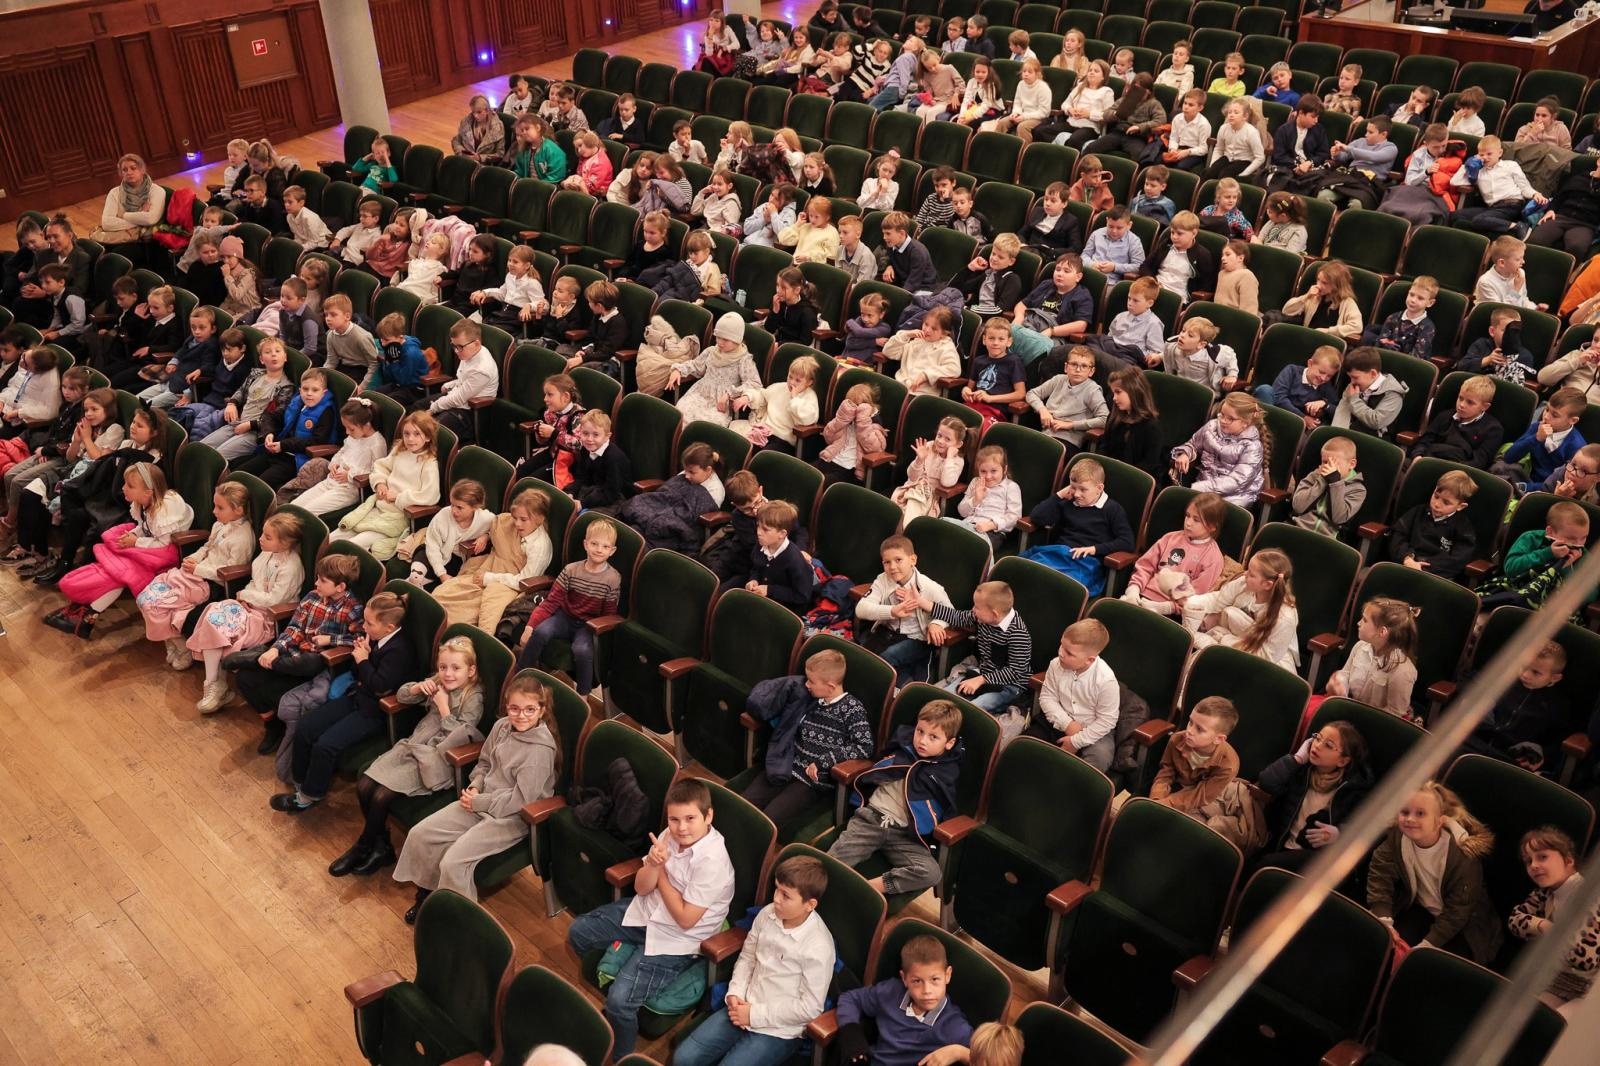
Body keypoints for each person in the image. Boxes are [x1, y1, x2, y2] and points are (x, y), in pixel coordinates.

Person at [567, 778, 735, 1054]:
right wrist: (654, 866)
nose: (681, 828)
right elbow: (641, 887)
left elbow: (685, 919)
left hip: (679, 938)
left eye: (690, 819)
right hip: (647, 912)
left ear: (708, 816)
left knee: (621, 1000)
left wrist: (663, 874)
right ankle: (625, 965)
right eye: (674, 819)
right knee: (579, 932)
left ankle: (621, 1056)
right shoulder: (669, 836)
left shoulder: (713, 862)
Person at [393, 670, 561, 910]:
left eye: (529, 709)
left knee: (453, 862)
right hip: (480, 801)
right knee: (421, 834)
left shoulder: (539, 752)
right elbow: (484, 763)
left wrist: (479, 802)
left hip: (511, 817)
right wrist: (475, 786)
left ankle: (460, 918)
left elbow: (520, 800)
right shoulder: (503, 726)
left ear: (541, 710)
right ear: (507, 707)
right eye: (514, 708)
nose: (521, 715)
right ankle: (428, 895)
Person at [674, 855, 835, 1066]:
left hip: (779, 1029)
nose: (776, 898)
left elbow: (810, 1008)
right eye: (777, 889)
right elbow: (748, 957)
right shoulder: (768, 913)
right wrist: (735, 992)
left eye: (786, 895)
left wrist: (754, 1014)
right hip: (744, 1004)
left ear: (809, 905)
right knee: (683, 1059)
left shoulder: (819, 947)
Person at [46, 461, 195, 639]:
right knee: (109, 566)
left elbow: (163, 542)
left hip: (165, 553)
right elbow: (144, 526)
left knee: (118, 576)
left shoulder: (164, 511)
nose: (123, 488)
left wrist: (136, 542)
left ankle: (87, 619)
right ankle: (81, 607)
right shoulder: (145, 502)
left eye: (130, 486)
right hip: (148, 546)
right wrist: (132, 535)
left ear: (148, 492)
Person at [829, 701, 964, 895]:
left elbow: (942, 806)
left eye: (933, 737)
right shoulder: (903, 751)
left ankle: (870, 889)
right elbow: (876, 773)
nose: (923, 741)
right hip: (871, 821)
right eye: (920, 731)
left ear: (949, 743)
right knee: (831, 863)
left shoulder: (945, 772)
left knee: (931, 873)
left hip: (904, 834)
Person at [739, 649, 874, 839]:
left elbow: (864, 746)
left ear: (830, 685)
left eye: (811, 681)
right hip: (786, 766)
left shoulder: (852, 708)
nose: (807, 685)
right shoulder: (810, 699)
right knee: (743, 805)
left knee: (768, 820)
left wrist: (823, 761)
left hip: (812, 781)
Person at [1367, 781, 1502, 963]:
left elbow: (1459, 910)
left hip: (1465, 925)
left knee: (1430, 966)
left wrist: (1427, 945)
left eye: (1420, 814)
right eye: (1404, 812)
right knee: (1386, 952)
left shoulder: (1463, 856)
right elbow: (1380, 878)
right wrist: (1384, 921)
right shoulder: (1396, 839)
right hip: (1420, 910)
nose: (1410, 819)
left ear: (1439, 822)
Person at [227, 550, 363, 725]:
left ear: (340, 587)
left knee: (310, 662)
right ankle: (271, 723)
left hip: (316, 662)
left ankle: (256, 658)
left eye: (322, 580)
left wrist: (331, 640)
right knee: (243, 678)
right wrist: (276, 649)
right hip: (292, 655)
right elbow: (295, 627)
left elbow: (360, 639)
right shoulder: (313, 596)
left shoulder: (353, 608)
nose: (316, 583)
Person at [133, 479, 254, 663]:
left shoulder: (243, 538)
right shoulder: (219, 524)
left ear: (238, 510)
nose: (214, 512)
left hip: (209, 584)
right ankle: (172, 641)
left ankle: (182, 648)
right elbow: (207, 547)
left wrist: (199, 568)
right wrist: (195, 558)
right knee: (146, 597)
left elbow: (229, 571)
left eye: (220, 508)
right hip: (194, 574)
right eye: (215, 506)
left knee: (157, 605)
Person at [516, 517, 621, 698]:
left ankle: (583, 695)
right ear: (585, 544)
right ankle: (520, 673)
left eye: (605, 546)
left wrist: (601, 640)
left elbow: (608, 615)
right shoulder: (571, 570)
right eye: (594, 544)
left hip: (589, 625)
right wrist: (529, 627)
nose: (599, 549)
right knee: (540, 632)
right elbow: (551, 602)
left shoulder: (613, 579)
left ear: (612, 551)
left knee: (582, 650)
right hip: (564, 617)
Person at [1254, 720, 1374, 876]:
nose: (1317, 746)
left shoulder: (1353, 789)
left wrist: (1339, 834)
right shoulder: (1301, 771)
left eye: (1328, 745)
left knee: (1266, 866)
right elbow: (1267, 783)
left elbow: (1365, 830)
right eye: (1318, 738)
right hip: (1281, 845)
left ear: (1342, 761)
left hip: (1318, 859)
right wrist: (1296, 759)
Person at [836, 934, 972, 1065]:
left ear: (947, 975)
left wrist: (959, 1052)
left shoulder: (955, 1027)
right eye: (917, 981)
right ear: (904, 978)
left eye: (935, 979)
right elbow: (850, 999)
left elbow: (988, 1059)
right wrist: (852, 1035)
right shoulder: (890, 991)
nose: (927, 991)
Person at [1510, 826, 1599, 1020]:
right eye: (1528, 861)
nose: (1533, 865)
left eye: (1542, 857)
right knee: (1522, 1019)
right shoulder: (1545, 892)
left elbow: (1585, 959)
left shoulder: (1589, 896)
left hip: (1592, 990)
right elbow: (1516, 921)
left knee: (1551, 1028)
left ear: (1568, 860)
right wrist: (1543, 925)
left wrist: (1553, 933)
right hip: (1561, 980)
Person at [332, 411, 442, 560]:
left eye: (417, 434)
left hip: (397, 516)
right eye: (406, 433)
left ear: (428, 437)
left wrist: (399, 496)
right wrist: (380, 484)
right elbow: (380, 466)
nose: (410, 439)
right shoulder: (400, 450)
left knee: (349, 548)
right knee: (332, 540)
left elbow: (431, 495)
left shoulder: (428, 463)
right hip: (378, 507)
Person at [1021, 458, 1134, 595]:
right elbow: (1037, 518)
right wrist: (1060, 495)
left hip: (1087, 562)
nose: (1076, 494)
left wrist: (1094, 549)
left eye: (1083, 489)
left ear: (1099, 488)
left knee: (1062, 586)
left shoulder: (1113, 509)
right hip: (1059, 553)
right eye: (1073, 487)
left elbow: (1127, 542)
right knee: (1026, 571)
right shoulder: (1068, 502)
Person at [856, 534, 954, 686]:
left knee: (886, 659)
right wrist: (892, 611)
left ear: (913, 560)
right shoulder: (883, 579)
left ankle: (906, 687)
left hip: (916, 638)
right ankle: (899, 683)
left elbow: (950, 611)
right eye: (886, 562)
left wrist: (937, 624)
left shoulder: (929, 587)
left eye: (898, 560)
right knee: (862, 663)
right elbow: (861, 609)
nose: (892, 567)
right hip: (887, 632)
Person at [1181, 548, 1300, 671]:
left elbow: (1266, 659)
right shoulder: (1244, 583)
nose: (1244, 574)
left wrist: (1225, 640)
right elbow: (1218, 600)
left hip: (1264, 665)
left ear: (1267, 585)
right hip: (1235, 642)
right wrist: (1189, 602)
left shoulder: (1285, 618)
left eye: (1251, 574)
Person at [1025, 620, 1119, 771]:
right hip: (1059, 718)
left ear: (1090, 660)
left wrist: (1077, 741)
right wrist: (1067, 724)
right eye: (1062, 645)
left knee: (1099, 759)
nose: (1060, 653)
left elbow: (1107, 720)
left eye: (1069, 653)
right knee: (1026, 746)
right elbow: (1047, 697)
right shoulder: (1056, 664)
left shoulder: (1105, 680)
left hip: (1093, 730)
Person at [1121, 492, 1227, 617]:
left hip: (1170, 613)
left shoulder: (1213, 558)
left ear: (1212, 526)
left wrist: (1166, 608)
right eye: (1187, 516)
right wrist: (1134, 589)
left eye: (1196, 520)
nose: (1188, 522)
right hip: (1142, 596)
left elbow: (1196, 598)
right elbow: (1145, 566)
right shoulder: (1170, 538)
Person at [1477, 500, 1594, 611]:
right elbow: (1511, 568)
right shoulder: (1531, 539)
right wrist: (1548, 553)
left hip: (1552, 607)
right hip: (1513, 592)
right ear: (1550, 532)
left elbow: (1590, 595)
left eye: (1584, 538)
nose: (1578, 544)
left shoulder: (1582, 554)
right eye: (1571, 538)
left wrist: (1565, 567)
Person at [1325, 597, 1420, 721]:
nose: (1358, 623)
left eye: (1364, 620)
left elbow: (1394, 715)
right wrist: (1339, 683)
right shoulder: (1360, 647)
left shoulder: (1403, 671)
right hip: (1350, 709)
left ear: (1382, 632)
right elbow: (1346, 674)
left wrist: (1356, 716)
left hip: (1375, 722)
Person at [1171, 392, 1269, 507]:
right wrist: (1185, 454)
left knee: (1199, 513)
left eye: (1230, 419)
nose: (1223, 420)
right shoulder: (1212, 427)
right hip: (1205, 489)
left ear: (1245, 423)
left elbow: (1237, 482)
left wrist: (1201, 488)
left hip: (1235, 497)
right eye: (1222, 415)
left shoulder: (1252, 447)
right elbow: (1192, 444)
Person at [1150, 697, 1240, 811]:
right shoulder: (1176, 739)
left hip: (1200, 800)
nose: (1189, 731)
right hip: (1176, 786)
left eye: (1199, 729)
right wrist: (1156, 799)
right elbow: (1166, 772)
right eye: (1190, 722)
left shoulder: (1229, 765)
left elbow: (1201, 796)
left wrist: (1164, 804)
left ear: (1218, 739)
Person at [1390, 470, 1478, 581]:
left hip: (1435, 576)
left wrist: (1424, 567)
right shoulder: (1418, 512)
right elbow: (1398, 535)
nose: (1437, 504)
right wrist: (1407, 558)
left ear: (1461, 506)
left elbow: (1458, 559)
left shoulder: (1463, 527)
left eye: (1446, 502)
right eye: (1436, 496)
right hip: (1405, 564)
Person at [1496, 389, 1588, 494]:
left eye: (1555, 415)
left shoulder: (1576, 447)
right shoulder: (1537, 427)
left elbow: (1560, 483)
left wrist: (1523, 487)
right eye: (1547, 409)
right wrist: (1536, 438)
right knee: (1500, 467)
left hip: (1548, 489)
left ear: (1573, 420)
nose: (1546, 416)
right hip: (1526, 474)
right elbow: (1509, 457)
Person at [1451, 136, 1546, 237]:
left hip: (1512, 205)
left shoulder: (1510, 165)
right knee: (1455, 216)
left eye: (1489, 154)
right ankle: (1501, 229)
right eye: (1481, 154)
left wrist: (1535, 194)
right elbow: (1454, 182)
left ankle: (1519, 226)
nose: (1485, 157)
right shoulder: (1478, 171)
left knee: (1479, 220)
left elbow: (1524, 186)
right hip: (1492, 209)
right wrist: (1467, 165)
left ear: (1500, 153)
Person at [1408, 373, 1504, 469]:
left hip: (1460, 471)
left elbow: (1479, 461)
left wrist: (1450, 469)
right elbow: (1425, 441)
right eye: (1460, 398)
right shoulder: (1445, 416)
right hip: (1429, 460)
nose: (1461, 405)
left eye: (1470, 402)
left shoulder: (1493, 429)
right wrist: (1418, 455)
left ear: (1484, 407)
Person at [1025, 344, 1108, 453]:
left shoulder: (1092, 390)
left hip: (1068, 440)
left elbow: (1105, 418)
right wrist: (1042, 410)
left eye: (1084, 366)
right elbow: (1031, 394)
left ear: (1091, 371)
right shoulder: (1059, 380)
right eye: (1074, 364)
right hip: (1045, 433)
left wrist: (1070, 425)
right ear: (1066, 367)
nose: (1078, 369)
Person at [741, 499, 814, 614]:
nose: (759, 532)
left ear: (782, 534)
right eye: (758, 526)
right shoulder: (761, 545)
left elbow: (802, 596)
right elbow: (756, 568)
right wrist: (753, 580)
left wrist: (770, 590)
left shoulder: (794, 559)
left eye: (765, 529)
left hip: (787, 610)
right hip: (766, 601)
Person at [890, 416, 966, 523]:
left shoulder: (957, 461)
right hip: (911, 488)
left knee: (910, 508)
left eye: (947, 439)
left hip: (929, 497)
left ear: (958, 444)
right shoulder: (929, 446)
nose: (940, 441)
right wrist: (919, 460)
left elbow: (947, 482)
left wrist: (949, 458)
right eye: (939, 435)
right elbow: (912, 477)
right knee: (896, 511)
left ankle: (903, 533)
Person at [1290, 435, 1367, 538]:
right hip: (1299, 528)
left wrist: (1335, 483)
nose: (1327, 467)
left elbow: (1338, 517)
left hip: (1329, 538)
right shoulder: (1314, 476)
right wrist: (1322, 480)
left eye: (1334, 463)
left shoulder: (1358, 490)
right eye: (1324, 462)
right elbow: (1298, 507)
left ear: (1351, 464)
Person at [950, 445, 1022, 554]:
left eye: (994, 471)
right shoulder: (975, 482)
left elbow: (1014, 517)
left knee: (975, 547)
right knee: (946, 530)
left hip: (993, 531)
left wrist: (990, 525)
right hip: (968, 524)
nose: (988, 476)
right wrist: (976, 499)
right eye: (983, 471)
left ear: (1004, 469)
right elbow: (962, 512)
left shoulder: (1011, 487)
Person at [1100, 364, 1164, 478]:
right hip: (1110, 473)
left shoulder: (1151, 427)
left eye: (1118, 392)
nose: (1114, 398)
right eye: (1113, 393)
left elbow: (1150, 463)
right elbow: (1104, 448)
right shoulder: (1114, 417)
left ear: (1134, 392)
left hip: (1135, 479)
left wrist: (1121, 474)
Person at [1332, 346, 1408, 439]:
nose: (1352, 382)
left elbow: (1376, 422)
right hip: (1351, 433)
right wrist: (1336, 436)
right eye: (1350, 377)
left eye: (1355, 377)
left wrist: (1355, 400)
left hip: (1376, 439)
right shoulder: (1353, 386)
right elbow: (1342, 413)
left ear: (1373, 374)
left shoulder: (1393, 394)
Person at [1139, 211, 1215, 303]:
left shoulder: (1203, 255)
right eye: (1172, 232)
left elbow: (1206, 286)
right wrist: (1153, 282)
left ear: (1194, 233)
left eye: (1179, 234)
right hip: (1155, 290)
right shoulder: (1166, 245)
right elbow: (1145, 266)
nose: (1174, 237)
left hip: (1178, 298)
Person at [1155, 316, 1239, 398]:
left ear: (1201, 344)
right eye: (1183, 331)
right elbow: (1170, 352)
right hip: (1179, 389)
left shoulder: (1214, 355)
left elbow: (1231, 356)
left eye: (1190, 335)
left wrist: (1232, 375)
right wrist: (1160, 356)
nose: (1182, 335)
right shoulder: (1172, 347)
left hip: (1203, 395)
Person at [1259, 344, 1342, 428]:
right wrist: (1302, 417)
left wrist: (1325, 404)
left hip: (1294, 427)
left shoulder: (1326, 386)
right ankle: (1262, 429)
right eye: (1321, 372)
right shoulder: (1292, 371)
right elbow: (1279, 397)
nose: (1324, 378)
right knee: (1265, 390)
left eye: (1329, 376)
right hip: (1275, 413)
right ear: (1310, 363)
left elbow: (1339, 411)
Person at [1282, 262, 1363, 343]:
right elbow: (1286, 311)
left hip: (1328, 347)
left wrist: (1328, 331)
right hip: (1307, 340)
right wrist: (1306, 297)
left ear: (1336, 285)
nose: (1318, 285)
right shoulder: (1314, 296)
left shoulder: (1347, 302)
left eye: (1324, 283)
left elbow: (1357, 326)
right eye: (1318, 280)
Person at [569, 410, 632, 511]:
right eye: (585, 433)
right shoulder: (586, 449)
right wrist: (570, 492)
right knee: (565, 505)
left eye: (596, 435)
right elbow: (581, 477)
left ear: (607, 436)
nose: (589, 439)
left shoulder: (614, 458)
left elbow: (611, 493)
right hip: (594, 492)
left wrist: (583, 503)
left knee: (584, 518)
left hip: (616, 498)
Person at [1370, 275, 1439, 361]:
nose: (1413, 300)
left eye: (1420, 298)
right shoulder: (1392, 318)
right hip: (1381, 361)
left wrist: (1392, 346)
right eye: (1411, 294)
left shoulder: (1427, 328)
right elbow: (1379, 345)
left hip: (1406, 367)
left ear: (1430, 303)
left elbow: (1416, 357)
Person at [451, 94, 506, 162]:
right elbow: (456, 141)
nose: (475, 116)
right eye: (473, 112)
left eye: (479, 112)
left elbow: (500, 154)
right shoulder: (466, 122)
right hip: (465, 162)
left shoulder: (498, 126)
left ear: (487, 110)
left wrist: (480, 158)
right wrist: (462, 153)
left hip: (484, 167)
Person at [1214, 240, 1259, 315]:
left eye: (1228, 254)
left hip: (1234, 319)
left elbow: (1249, 310)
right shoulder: (1221, 273)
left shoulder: (1247, 276)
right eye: (1223, 255)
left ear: (1240, 258)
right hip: (1218, 315)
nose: (1223, 258)